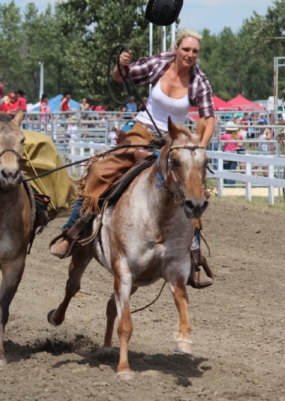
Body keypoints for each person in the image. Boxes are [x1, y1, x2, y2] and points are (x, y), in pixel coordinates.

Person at [50, 28, 215, 287]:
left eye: (195, 51)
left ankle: (194, 259)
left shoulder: (199, 80)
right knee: (99, 171)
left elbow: (208, 119)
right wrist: (121, 65)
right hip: (141, 133)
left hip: (176, 143)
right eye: (186, 49)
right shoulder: (159, 63)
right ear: (176, 48)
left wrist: (198, 150)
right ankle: (74, 230)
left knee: (193, 191)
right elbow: (121, 77)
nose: (190, 55)